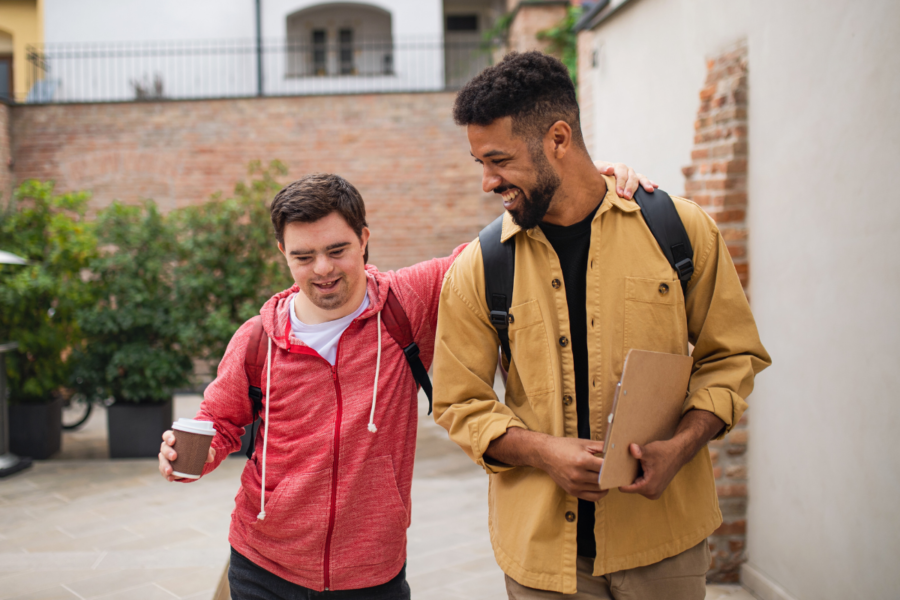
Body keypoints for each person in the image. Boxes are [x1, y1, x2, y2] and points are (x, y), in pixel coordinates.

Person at [158, 166, 653, 598]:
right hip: (262, 564)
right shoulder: (258, 338)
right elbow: (219, 422)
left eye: (337, 250)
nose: (323, 270)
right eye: (303, 257)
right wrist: (186, 457)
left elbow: (496, 245)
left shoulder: (406, 303)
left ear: (365, 238)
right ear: (282, 252)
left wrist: (584, 183)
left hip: (372, 572)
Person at [432, 51, 772, 599]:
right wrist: (544, 452)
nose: (488, 182)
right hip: (543, 558)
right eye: (481, 165)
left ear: (558, 139)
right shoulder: (480, 266)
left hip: (664, 543)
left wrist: (681, 446)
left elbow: (732, 358)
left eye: (499, 160)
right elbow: (458, 402)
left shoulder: (679, 230)